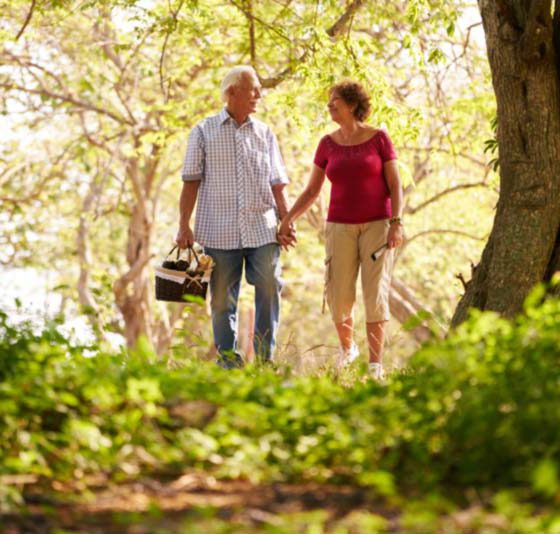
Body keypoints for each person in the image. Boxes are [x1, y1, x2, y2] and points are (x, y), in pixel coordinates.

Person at [278, 81, 404, 379]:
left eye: (334, 100)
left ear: (351, 104)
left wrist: (396, 223)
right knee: (338, 294)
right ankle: (348, 351)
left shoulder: (379, 138)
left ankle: (375, 367)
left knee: (375, 295)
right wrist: (288, 219)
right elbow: (312, 190)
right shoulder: (327, 144)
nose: (329, 105)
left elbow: (395, 184)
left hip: (377, 227)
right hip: (339, 228)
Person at [175, 65, 294, 369]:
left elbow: (277, 183)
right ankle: (229, 361)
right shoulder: (203, 131)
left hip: (262, 227)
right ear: (231, 93)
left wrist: (285, 219)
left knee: (269, 284)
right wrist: (183, 225)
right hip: (218, 230)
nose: (258, 94)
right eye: (252, 89)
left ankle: (265, 359)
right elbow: (191, 181)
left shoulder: (264, 132)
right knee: (221, 301)